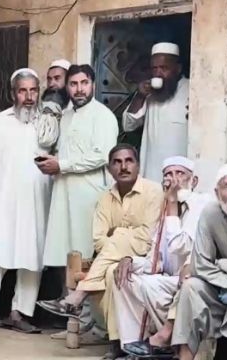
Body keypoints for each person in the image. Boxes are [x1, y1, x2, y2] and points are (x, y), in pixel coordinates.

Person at [38, 144, 163, 359]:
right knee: (110, 272)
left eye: (129, 161)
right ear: (109, 169)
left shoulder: (153, 191)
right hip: (113, 260)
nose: (123, 167)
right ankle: (118, 343)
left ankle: (79, 295)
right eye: (117, 162)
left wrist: (119, 235)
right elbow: (99, 241)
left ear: (138, 165)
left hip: (148, 258)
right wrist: (123, 239)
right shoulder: (105, 198)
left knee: (118, 239)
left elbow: (148, 237)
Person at [37, 64, 119, 340]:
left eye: (84, 83)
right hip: (63, 191)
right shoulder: (66, 115)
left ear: (93, 84)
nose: (79, 89)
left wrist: (63, 164)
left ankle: (93, 325)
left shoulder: (103, 116)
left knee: (87, 257)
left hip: (90, 193)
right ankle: (73, 323)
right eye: (73, 84)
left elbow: (101, 155)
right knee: (67, 255)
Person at [0, 70, 54, 333]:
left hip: (37, 201)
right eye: (22, 91)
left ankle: (18, 314)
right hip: (2, 201)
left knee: (32, 257)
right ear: (13, 93)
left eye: (33, 90)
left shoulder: (48, 122)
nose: (28, 97)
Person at [116, 156, 213, 358]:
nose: (174, 179)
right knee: (123, 277)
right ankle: (132, 346)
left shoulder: (201, 206)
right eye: (169, 174)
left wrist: (172, 205)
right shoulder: (163, 209)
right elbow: (155, 260)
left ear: (193, 181)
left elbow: (180, 246)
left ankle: (161, 342)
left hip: (192, 281)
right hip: (168, 279)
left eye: (180, 174)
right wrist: (131, 261)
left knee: (166, 285)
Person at [171, 162, 227, 360]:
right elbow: (200, 265)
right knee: (191, 286)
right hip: (223, 292)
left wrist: (222, 263)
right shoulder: (210, 214)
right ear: (218, 193)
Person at [123, 42, 189, 181]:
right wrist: (140, 96)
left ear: (177, 69)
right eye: (155, 69)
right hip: (151, 174)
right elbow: (128, 125)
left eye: (164, 68)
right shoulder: (148, 92)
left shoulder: (192, 90)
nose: (158, 73)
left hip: (180, 176)